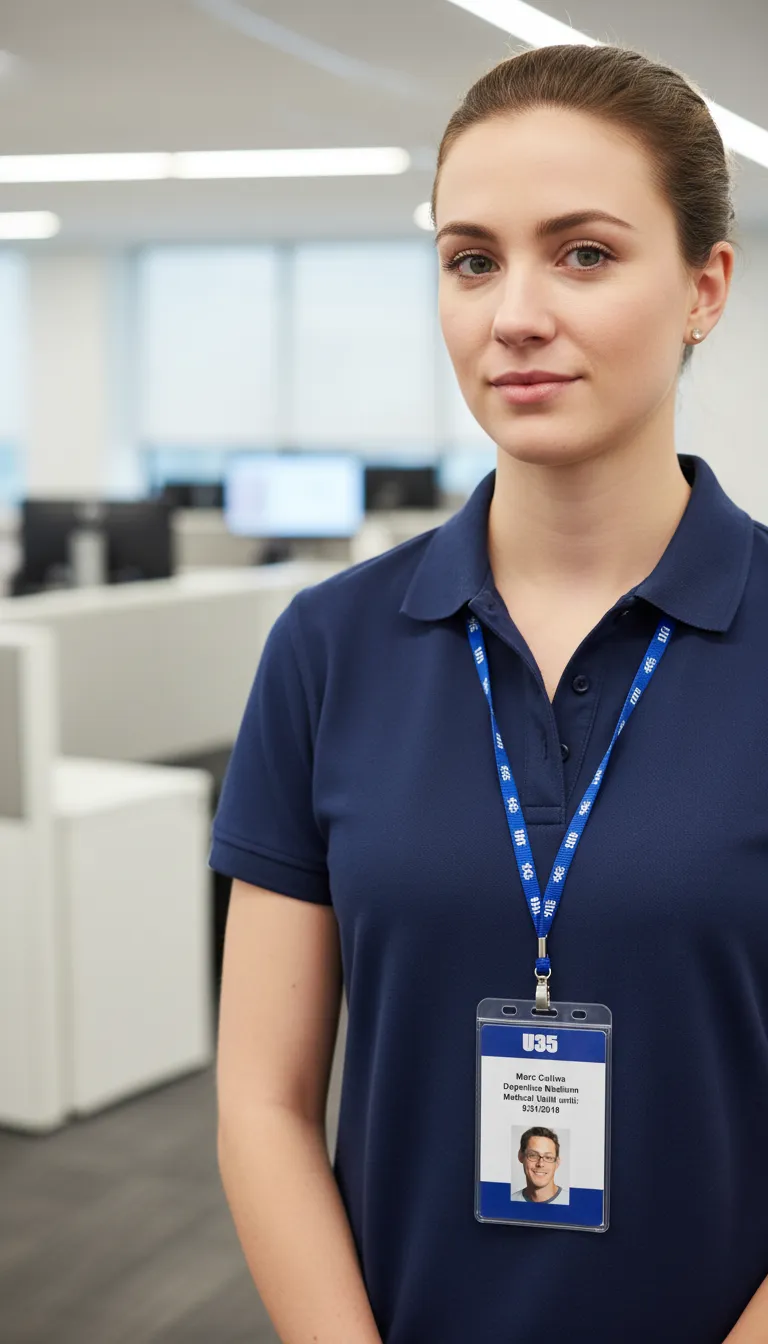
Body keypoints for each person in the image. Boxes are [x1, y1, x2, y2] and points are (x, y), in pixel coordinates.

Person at [211, 40, 768, 1344]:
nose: (514, 310)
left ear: (705, 287)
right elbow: (263, 1098)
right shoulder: (329, 645)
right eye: (472, 260)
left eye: (583, 253)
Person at [510, 1126, 568, 1204]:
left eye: (548, 1157)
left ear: (557, 1162)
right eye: (533, 1155)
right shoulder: (510, 1202)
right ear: (520, 1156)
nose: (540, 1164)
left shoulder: (572, 1202)